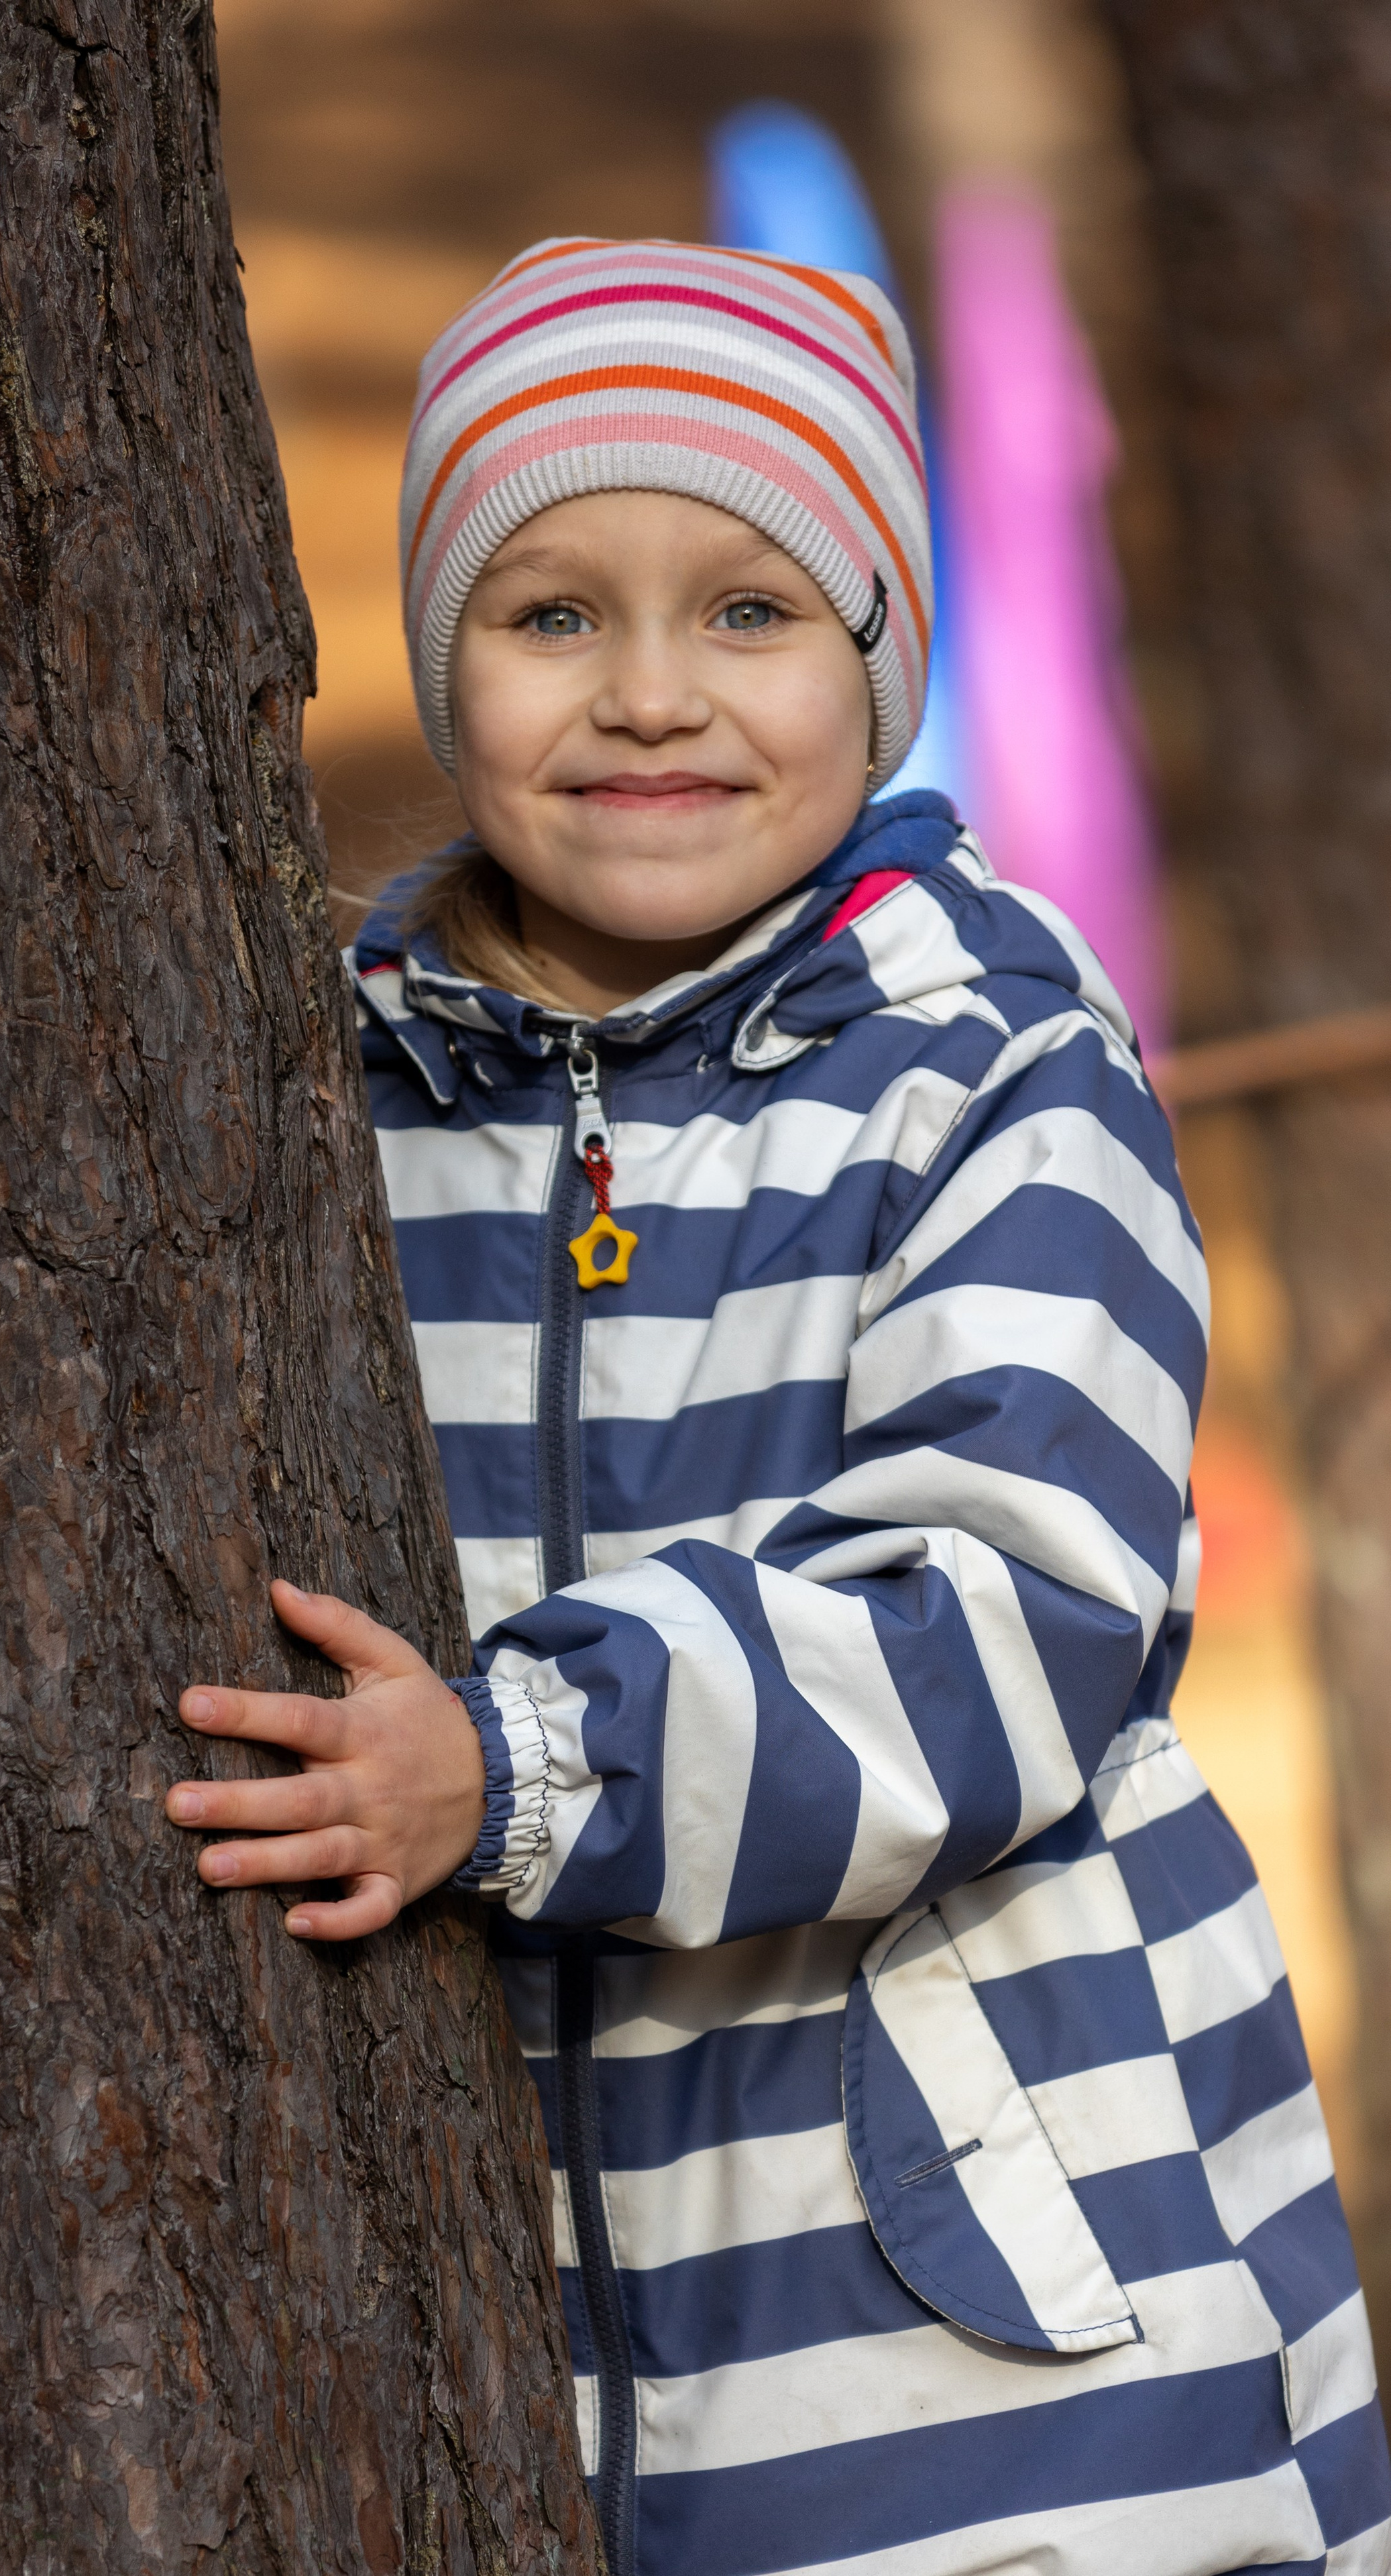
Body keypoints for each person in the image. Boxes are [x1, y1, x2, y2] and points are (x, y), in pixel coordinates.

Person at [166, 238, 1391, 2573]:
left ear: (878, 656)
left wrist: (522, 1767)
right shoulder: (335, 1082)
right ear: (441, 660)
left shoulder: (994, 1064)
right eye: (550, 614)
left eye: (748, 611)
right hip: (550, 2326)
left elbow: (1005, 1616)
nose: (648, 698)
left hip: (995, 2334)